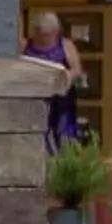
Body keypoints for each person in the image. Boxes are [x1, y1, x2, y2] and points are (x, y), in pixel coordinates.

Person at [24, 10, 82, 147]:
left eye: (47, 35)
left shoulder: (66, 45)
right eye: (39, 33)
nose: (43, 38)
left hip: (61, 97)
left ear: (55, 32)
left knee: (63, 132)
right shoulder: (25, 45)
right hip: (35, 96)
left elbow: (77, 70)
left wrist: (68, 75)